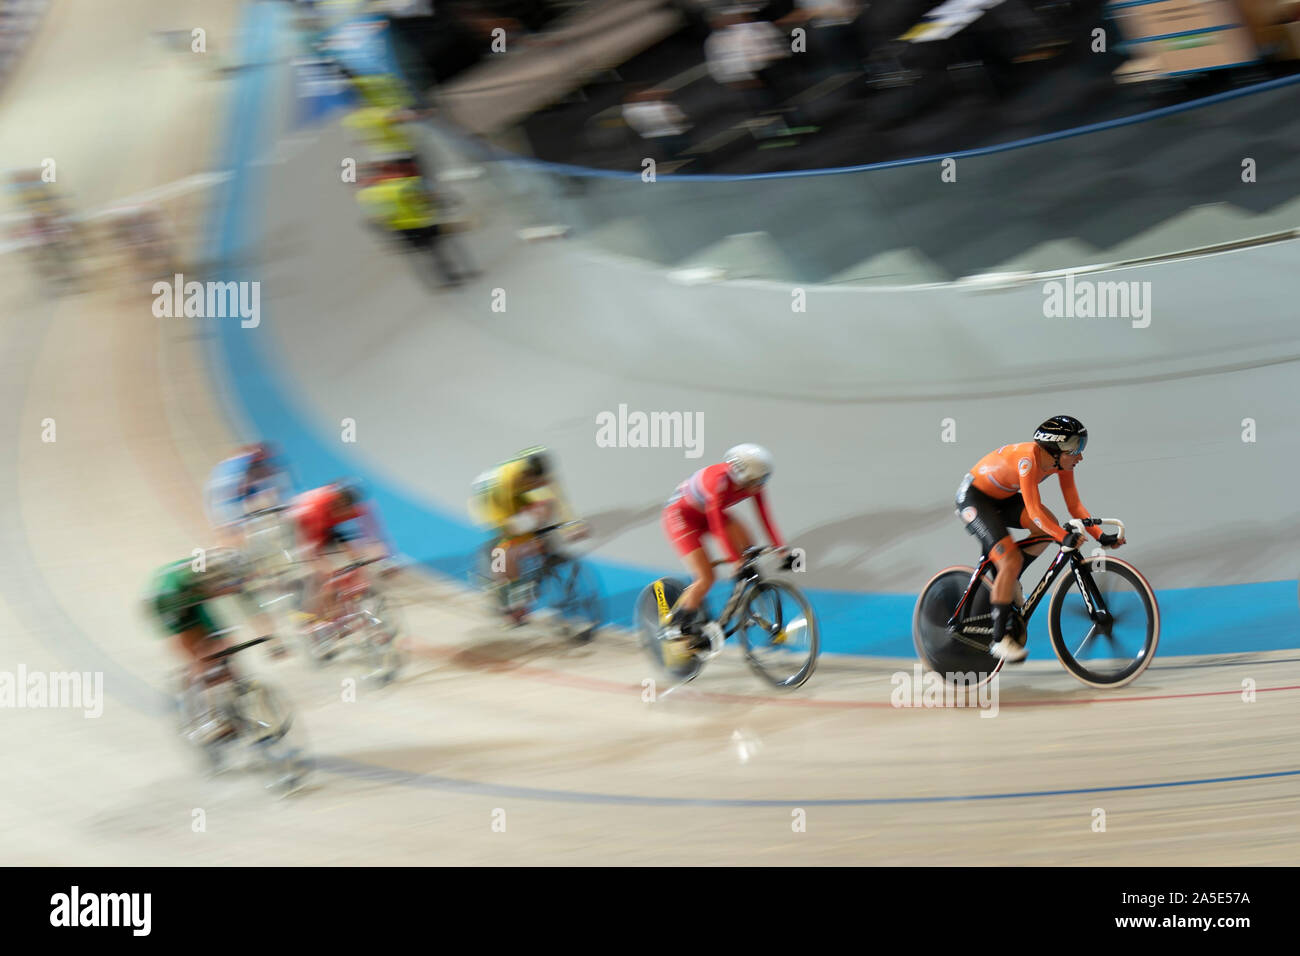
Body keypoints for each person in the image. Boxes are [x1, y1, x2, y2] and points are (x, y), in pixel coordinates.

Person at [955, 415, 1124, 663]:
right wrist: (1063, 536)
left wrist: (1100, 535)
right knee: (1011, 557)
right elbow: (1034, 512)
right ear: (1056, 449)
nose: (1081, 456)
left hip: (1002, 498)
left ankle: (1010, 579)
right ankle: (1000, 640)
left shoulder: (1060, 464)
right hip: (975, 499)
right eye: (1076, 448)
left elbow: (1074, 505)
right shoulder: (1028, 460)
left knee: (1047, 528)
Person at [660, 443, 787, 662]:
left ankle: (744, 592)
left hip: (707, 514)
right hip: (681, 518)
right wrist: (736, 561)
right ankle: (674, 627)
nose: (760, 486)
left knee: (749, 546)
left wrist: (781, 548)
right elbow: (717, 526)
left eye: (763, 481)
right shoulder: (716, 482)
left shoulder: (752, 481)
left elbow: (765, 517)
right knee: (706, 578)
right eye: (756, 482)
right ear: (742, 477)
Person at [146, 547, 258, 744]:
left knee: (225, 646)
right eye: (235, 583)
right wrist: (202, 658)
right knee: (201, 659)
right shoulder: (179, 588)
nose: (238, 586)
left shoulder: (214, 577)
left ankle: (229, 703)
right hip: (168, 603)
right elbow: (182, 634)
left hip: (195, 599)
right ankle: (202, 720)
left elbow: (247, 603)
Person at [468, 447, 585, 624]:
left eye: (541, 481)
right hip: (491, 498)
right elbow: (508, 526)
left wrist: (571, 526)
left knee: (544, 507)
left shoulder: (539, 476)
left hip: (518, 491)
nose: (540, 485)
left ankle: (533, 562)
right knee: (507, 548)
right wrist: (525, 538)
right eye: (535, 482)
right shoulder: (506, 482)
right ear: (526, 475)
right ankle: (509, 600)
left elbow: (559, 500)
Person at [289, 479, 393, 643]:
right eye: (340, 504)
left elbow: (373, 535)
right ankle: (312, 619)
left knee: (358, 561)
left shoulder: (357, 508)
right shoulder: (316, 509)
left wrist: (386, 560)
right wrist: (324, 570)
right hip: (304, 524)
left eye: (347, 505)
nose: (344, 507)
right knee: (321, 575)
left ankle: (364, 617)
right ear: (334, 499)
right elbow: (311, 549)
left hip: (330, 525)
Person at [355, 174, 477, 289]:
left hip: (405, 231)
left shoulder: (368, 198)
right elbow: (422, 199)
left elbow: (375, 220)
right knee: (437, 250)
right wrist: (442, 203)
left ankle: (442, 280)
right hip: (420, 225)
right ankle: (454, 275)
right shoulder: (400, 187)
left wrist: (387, 239)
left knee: (428, 255)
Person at [205, 443, 294, 547]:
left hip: (243, 487)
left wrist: (285, 512)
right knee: (233, 533)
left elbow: (281, 493)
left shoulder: (267, 470)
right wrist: (232, 528)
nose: (266, 472)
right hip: (226, 495)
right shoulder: (231, 477)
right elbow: (222, 509)